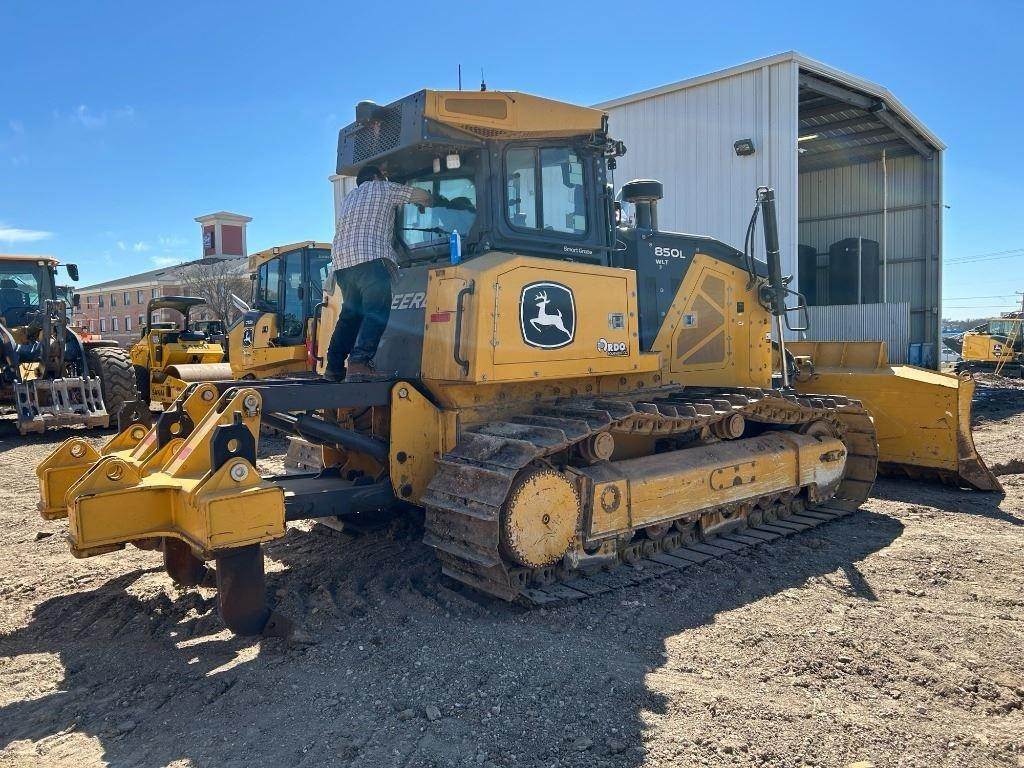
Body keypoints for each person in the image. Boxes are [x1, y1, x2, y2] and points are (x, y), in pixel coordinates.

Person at [325, 165, 432, 382]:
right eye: (383, 177)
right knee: (377, 310)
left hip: (342, 265)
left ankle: (334, 367)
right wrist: (432, 199)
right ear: (376, 177)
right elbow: (420, 195)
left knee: (350, 316)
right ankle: (360, 362)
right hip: (370, 260)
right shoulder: (381, 188)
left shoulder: (350, 198)